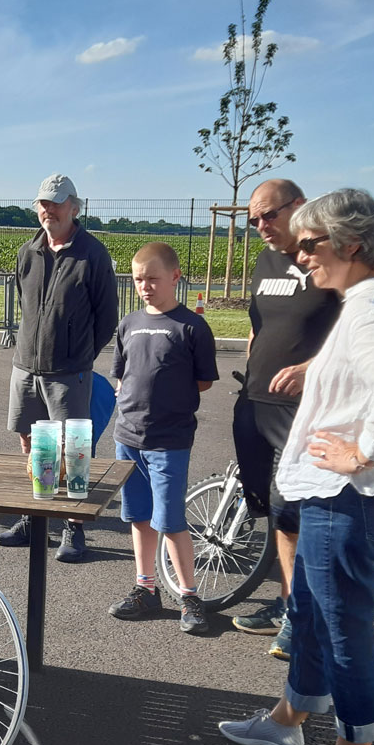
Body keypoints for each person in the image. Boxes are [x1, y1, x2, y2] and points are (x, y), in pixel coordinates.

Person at [219, 188, 374, 745]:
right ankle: (287, 723)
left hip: (354, 494)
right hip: (333, 491)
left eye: (311, 244)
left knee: (343, 626)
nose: (302, 255)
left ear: (350, 244)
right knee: (313, 613)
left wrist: (361, 453)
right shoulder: (364, 306)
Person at [229, 179, 342, 661]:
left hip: (306, 411)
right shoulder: (267, 258)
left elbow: (356, 337)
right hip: (255, 401)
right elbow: (261, 324)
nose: (260, 227)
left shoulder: (329, 260)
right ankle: (285, 603)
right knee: (273, 512)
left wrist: (311, 368)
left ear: (299, 207)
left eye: (268, 216)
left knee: (294, 511)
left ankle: (300, 619)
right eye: (252, 220)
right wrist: (252, 369)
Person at [0, 174, 118, 562]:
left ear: (74, 207)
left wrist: (79, 353)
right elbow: (26, 305)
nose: (47, 210)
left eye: (56, 203)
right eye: (42, 203)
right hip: (26, 367)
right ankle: (36, 519)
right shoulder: (27, 252)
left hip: (69, 371)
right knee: (31, 443)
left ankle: (73, 525)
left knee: (75, 449)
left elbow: (107, 317)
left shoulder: (92, 255)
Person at [106, 243, 218, 633]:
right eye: (138, 279)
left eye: (153, 278)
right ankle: (145, 588)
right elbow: (119, 371)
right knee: (138, 517)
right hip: (128, 437)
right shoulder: (129, 323)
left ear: (175, 277)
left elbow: (203, 380)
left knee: (170, 520)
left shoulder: (191, 327)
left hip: (169, 441)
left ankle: (189, 596)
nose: (145, 286)